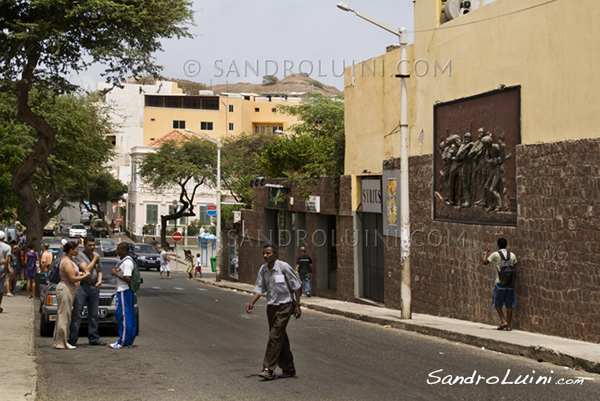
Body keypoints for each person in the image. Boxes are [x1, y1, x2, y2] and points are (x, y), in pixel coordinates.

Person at [246, 244, 302, 380]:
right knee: (279, 337)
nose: (265, 256)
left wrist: (298, 305)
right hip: (271, 306)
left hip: (285, 305)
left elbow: (296, 285)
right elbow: (260, 287)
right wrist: (252, 302)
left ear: (275, 254)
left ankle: (268, 369)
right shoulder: (263, 269)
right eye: (264, 253)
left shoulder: (283, 267)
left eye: (268, 254)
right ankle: (289, 368)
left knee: (274, 336)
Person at [68, 236, 106, 347]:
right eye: (90, 245)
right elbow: (86, 269)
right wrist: (94, 259)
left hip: (94, 287)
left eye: (93, 245)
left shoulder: (96, 256)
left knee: (94, 314)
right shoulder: (80, 255)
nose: (92, 247)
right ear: (85, 245)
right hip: (82, 287)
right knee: (77, 314)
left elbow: (99, 271)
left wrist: (99, 280)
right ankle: (73, 339)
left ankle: (94, 338)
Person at [53, 241, 90, 349]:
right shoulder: (67, 262)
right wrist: (85, 275)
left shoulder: (69, 260)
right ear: (71, 250)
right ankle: (61, 342)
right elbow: (72, 278)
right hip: (66, 289)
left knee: (65, 315)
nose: (78, 251)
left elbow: (73, 274)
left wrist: (80, 273)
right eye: (76, 249)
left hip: (69, 289)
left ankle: (59, 341)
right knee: (64, 316)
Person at [483, 238, 518, 331]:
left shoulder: (495, 254)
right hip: (510, 284)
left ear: (498, 245)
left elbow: (484, 262)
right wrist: (513, 282)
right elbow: (515, 270)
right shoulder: (512, 255)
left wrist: (485, 252)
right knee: (509, 305)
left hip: (500, 283)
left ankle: (503, 320)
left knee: (496, 303)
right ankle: (509, 326)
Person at [110, 242, 137, 348]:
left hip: (124, 291)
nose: (117, 251)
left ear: (124, 251)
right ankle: (128, 340)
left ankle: (123, 341)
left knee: (124, 316)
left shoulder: (127, 263)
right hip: (124, 291)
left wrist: (115, 273)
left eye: (118, 249)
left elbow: (127, 278)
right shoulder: (125, 261)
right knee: (127, 316)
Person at [0, 230, 11, 312]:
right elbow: (7, 260)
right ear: (4, 238)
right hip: (1, 269)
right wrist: (5, 272)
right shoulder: (7, 247)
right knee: (0, 288)